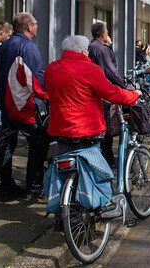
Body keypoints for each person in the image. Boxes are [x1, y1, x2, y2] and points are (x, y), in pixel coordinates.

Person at [44, 35, 141, 221]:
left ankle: (63, 214)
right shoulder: (90, 69)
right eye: (86, 49)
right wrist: (132, 96)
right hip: (86, 130)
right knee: (96, 171)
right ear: (82, 50)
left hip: (60, 129)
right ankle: (100, 205)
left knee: (64, 172)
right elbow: (110, 92)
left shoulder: (51, 69)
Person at [0, 12, 47, 199]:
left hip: (4, 101)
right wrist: (45, 99)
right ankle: (34, 185)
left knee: (7, 143)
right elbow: (36, 77)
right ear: (28, 27)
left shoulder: (4, 46)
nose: (37, 27)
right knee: (38, 142)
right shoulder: (28, 47)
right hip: (22, 104)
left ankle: (6, 186)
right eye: (35, 23)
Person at [88, 21, 129, 167]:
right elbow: (111, 71)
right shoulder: (100, 49)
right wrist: (124, 87)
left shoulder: (91, 47)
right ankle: (108, 159)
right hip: (103, 93)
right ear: (104, 34)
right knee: (107, 128)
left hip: (93, 92)